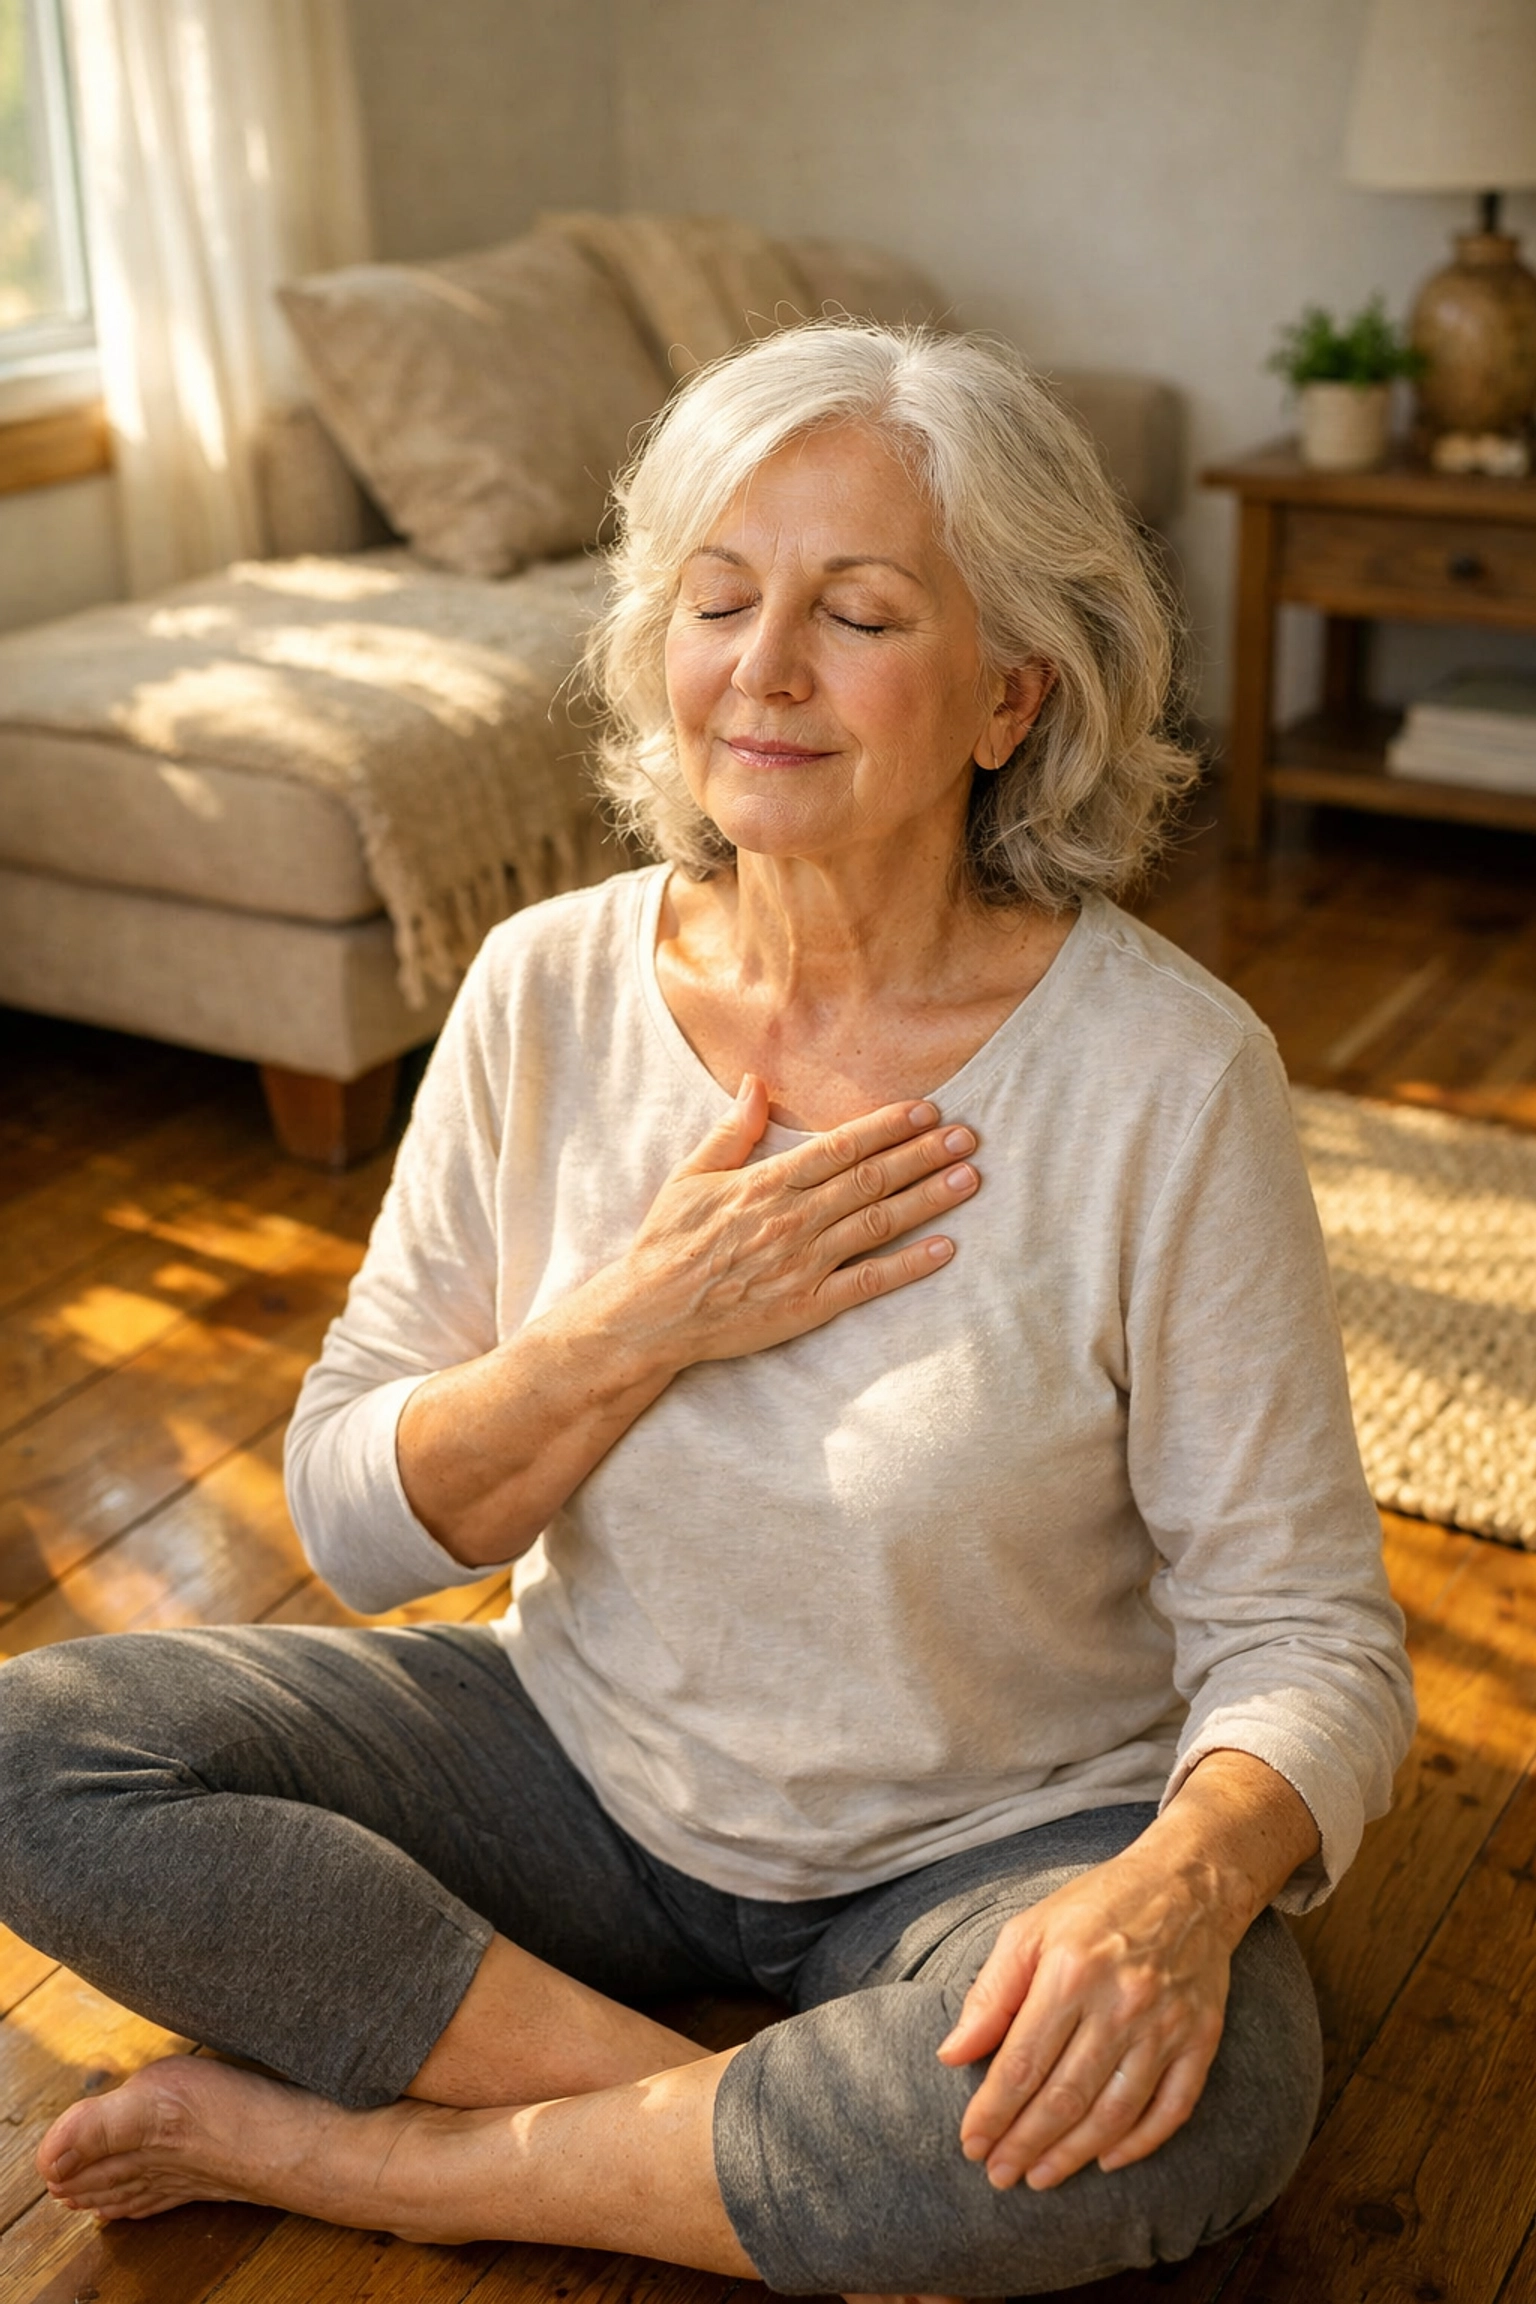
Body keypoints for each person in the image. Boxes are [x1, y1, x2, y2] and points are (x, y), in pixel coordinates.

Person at [0, 323, 1413, 2300]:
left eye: (854, 612)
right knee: (29, 1753)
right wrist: (631, 1325)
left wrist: (1175, 1895)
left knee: (1221, 2088)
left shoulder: (1168, 1078)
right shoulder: (540, 987)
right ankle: (697, 2135)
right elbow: (349, 1516)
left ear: (1013, 691)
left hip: (991, 1842)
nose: (760, 671)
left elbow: (1311, 1640)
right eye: (717, 598)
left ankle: (406, 2163)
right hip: (575, 1770)